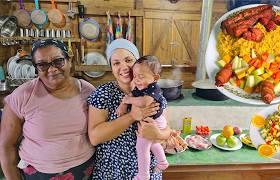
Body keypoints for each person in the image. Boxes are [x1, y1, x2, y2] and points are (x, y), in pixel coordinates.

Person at [0, 39, 95, 180]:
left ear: (69, 61)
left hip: (84, 171)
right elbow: (7, 146)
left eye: (58, 61)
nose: (52, 69)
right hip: (39, 174)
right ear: (36, 68)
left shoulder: (87, 90)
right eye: (42, 65)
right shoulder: (22, 96)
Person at [88, 39, 172, 179]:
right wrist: (132, 116)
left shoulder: (152, 91)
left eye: (128, 60)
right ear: (111, 67)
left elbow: (167, 130)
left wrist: (158, 134)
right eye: (116, 63)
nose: (124, 67)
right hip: (113, 171)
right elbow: (94, 138)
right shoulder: (103, 93)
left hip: (147, 170)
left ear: (138, 64)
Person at [116, 55, 169, 179]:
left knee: (141, 147)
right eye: (135, 76)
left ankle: (143, 175)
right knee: (153, 144)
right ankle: (162, 162)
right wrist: (123, 105)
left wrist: (129, 100)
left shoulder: (153, 89)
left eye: (141, 76)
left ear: (155, 78)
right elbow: (131, 94)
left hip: (156, 121)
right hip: (151, 120)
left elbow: (144, 102)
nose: (137, 80)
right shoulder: (141, 87)